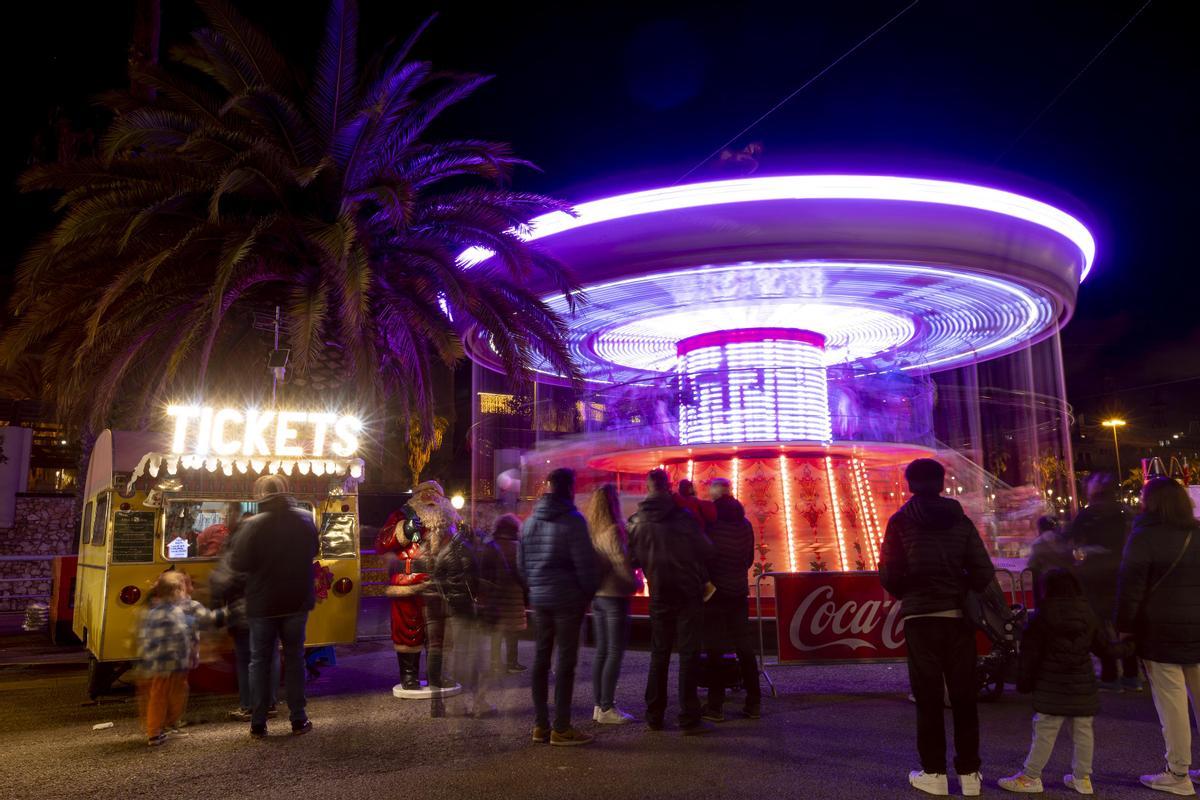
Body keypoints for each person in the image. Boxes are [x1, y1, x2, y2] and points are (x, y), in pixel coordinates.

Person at [879, 458, 995, 797]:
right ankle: (971, 774)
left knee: (928, 698)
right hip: (957, 617)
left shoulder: (900, 522)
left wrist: (909, 592)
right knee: (963, 696)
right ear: (942, 483)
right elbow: (984, 571)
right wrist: (960, 588)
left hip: (920, 619)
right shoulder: (961, 521)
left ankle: (934, 773)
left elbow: (888, 571)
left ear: (910, 484)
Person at [997, 569, 1133, 795]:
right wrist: (1131, 646)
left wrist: (1024, 683)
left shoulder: (1042, 616)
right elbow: (1105, 649)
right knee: (1083, 732)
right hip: (1082, 685)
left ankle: (1031, 776)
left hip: (1051, 686)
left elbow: (1030, 656)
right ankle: (1082, 779)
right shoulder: (1088, 613)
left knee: (1045, 731)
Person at [1115, 477, 1200, 795]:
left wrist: (1124, 625)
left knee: (1172, 703)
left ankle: (1178, 773)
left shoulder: (1144, 535)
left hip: (1160, 629)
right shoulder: (1198, 531)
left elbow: (1130, 586)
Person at [628, 468, 716, 734]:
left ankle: (654, 714)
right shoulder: (683, 517)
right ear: (668, 487)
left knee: (660, 653)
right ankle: (689, 716)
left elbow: (631, 560)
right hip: (688, 592)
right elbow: (706, 550)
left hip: (659, 593)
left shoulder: (635, 522)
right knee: (688, 654)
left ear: (647, 487)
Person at [231, 475, 319, 738]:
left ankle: (258, 721)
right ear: (285, 491)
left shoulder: (253, 525)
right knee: (295, 659)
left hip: (263, 604)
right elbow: (314, 549)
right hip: (296, 601)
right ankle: (298, 718)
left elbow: (239, 563)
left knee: (259, 661)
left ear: (260, 495)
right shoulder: (305, 519)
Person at [517, 468, 600, 745]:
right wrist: (587, 592)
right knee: (565, 662)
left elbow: (522, 565)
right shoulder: (573, 520)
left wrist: (535, 588)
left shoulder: (529, 523)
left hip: (541, 600)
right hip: (567, 600)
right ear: (569, 488)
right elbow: (585, 564)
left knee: (541, 660)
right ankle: (562, 728)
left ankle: (541, 725)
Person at [137, 571, 227, 746]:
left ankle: (163, 727)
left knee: (165, 693)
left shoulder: (153, 611)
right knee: (162, 695)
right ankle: (155, 731)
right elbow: (185, 634)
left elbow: (144, 637)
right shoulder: (175, 612)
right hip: (171, 663)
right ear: (176, 592)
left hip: (158, 663)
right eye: (183, 588)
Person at [1070, 472, 1137, 691]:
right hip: (1123, 575)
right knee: (1123, 626)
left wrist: (1084, 554)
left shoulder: (1087, 516)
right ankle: (1131, 674)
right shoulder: (1124, 512)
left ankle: (1110, 676)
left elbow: (1071, 541)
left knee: (1101, 628)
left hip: (1096, 579)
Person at [210, 507, 279, 721]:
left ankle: (250, 705)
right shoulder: (274, 547)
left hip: (243, 610)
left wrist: (215, 607)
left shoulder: (237, 547)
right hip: (272, 609)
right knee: (271, 656)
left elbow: (221, 579)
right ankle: (270, 703)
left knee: (247, 658)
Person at [701, 477, 761, 722]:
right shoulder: (745, 524)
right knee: (744, 646)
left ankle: (715, 706)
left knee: (715, 648)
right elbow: (748, 559)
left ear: (715, 498)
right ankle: (753, 702)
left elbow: (705, 557)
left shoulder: (711, 525)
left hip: (716, 593)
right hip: (738, 591)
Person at [586, 483, 640, 725]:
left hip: (597, 595)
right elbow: (622, 565)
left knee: (602, 652)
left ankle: (599, 705)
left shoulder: (593, 532)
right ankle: (607, 706)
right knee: (614, 653)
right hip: (615, 596)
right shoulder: (613, 531)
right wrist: (636, 583)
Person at [480, 513, 528, 674]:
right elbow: (523, 573)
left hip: (495, 595)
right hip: (514, 595)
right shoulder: (518, 547)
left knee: (497, 631)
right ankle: (512, 662)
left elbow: (484, 571)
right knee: (512, 631)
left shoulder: (491, 545)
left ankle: (495, 663)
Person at [1027, 515, 1075, 607]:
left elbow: (1032, 565)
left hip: (1049, 583)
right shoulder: (1063, 540)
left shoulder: (1037, 543)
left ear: (1040, 528)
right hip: (1067, 581)